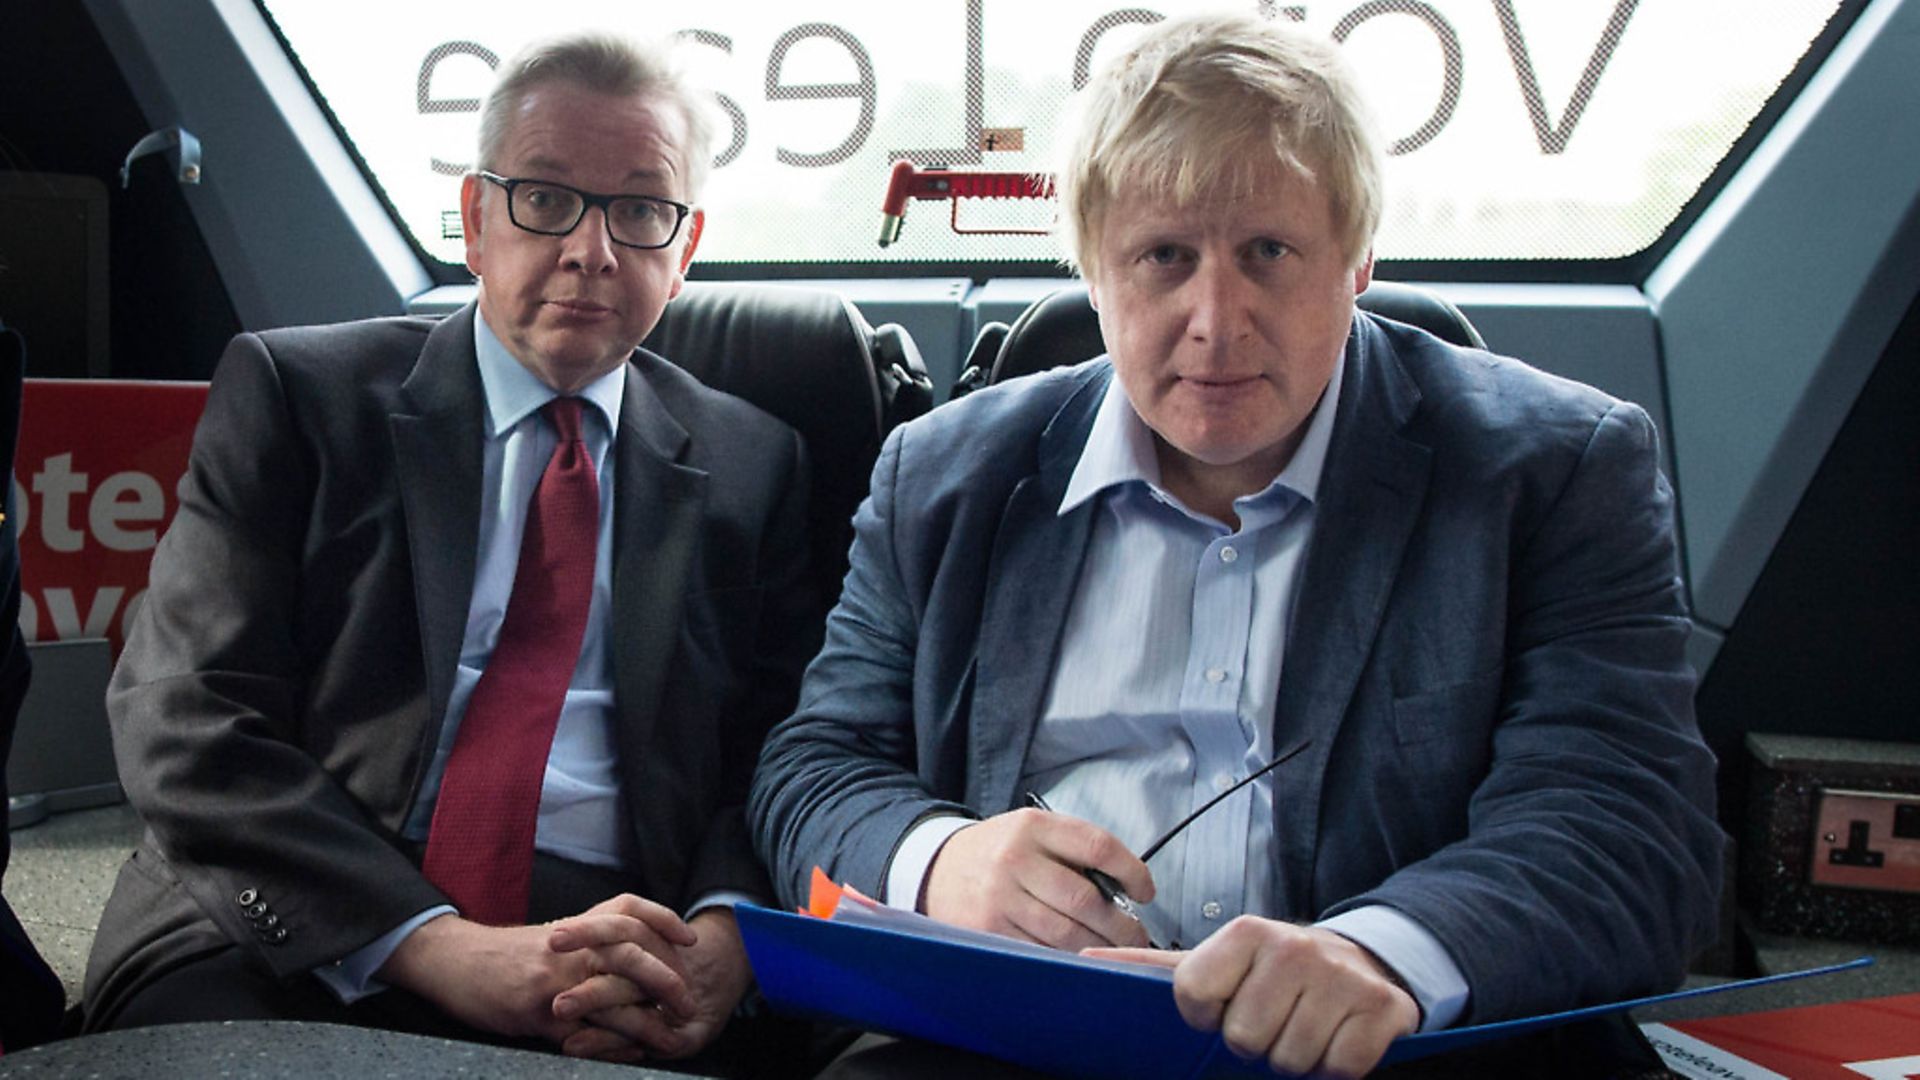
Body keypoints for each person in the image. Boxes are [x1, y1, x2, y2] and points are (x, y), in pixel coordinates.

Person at [750, 12, 1722, 1078]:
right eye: (1164, 257)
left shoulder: (1553, 471)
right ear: (1094, 268)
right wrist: (941, 862)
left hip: (1387, 1056)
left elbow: (1626, 824)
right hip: (1017, 1050)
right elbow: (815, 769)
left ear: (1355, 259)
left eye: (1268, 252)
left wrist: (1382, 955)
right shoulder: (944, 477)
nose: (1217, 319)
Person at [84, 31, 820, 1071]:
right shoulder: (300, 399)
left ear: (684, 248)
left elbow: (782, 751)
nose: (591, 250)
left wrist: (725, 932)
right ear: (476, 223)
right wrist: (439, 947)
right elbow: (187, 718)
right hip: (302, 906)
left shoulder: (756, 464)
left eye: (640, 210)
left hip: (613, 927)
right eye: (547, 198)